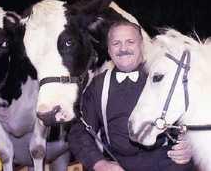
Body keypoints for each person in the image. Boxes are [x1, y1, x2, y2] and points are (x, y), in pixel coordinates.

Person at [68, 21, 194, 171]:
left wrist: (190, 145)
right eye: (116, 43)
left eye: (130, 42)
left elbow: (194, 119)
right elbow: (79, 132)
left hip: (168, 163)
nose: (123, 48)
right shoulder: (98, 85)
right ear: (109, 50)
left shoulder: (166, 76)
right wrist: (100, 164)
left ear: (142, 46)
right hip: (117, 164)